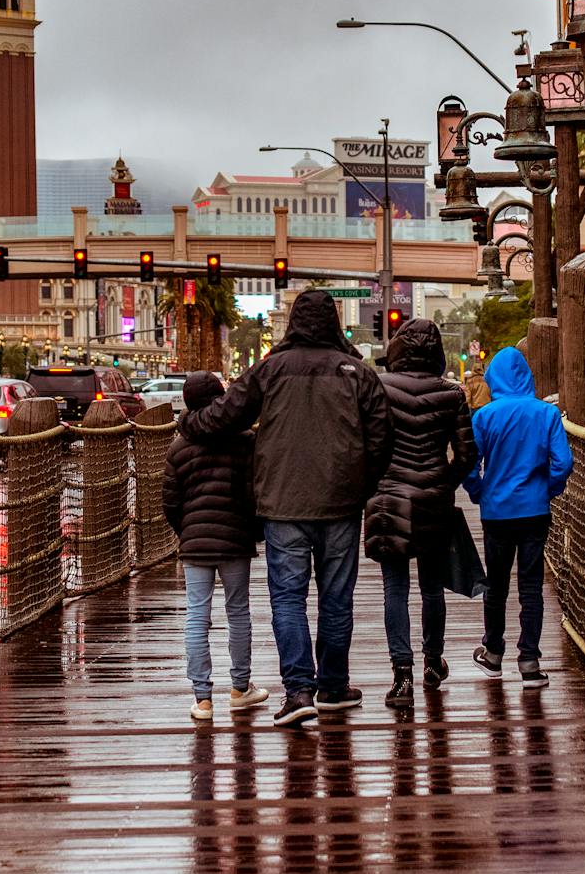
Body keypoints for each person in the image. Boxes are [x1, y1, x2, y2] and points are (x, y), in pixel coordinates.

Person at [181, 289, 394, 727]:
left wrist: (187, 422)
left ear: (293, 323)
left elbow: (225, 415)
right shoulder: (357, 372)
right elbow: (382, 440)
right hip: (340, 504)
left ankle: (298, 691)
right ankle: (334, 686)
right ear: (334, 323)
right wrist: (360, 485)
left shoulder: (269, 370)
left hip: (282, 504)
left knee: (288, 599)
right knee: (336, 599)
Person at [363, 318, 477, 706]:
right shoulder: (452, 394)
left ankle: (402, 676)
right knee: (432, 587)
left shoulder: (378, 389)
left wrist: (375, 483)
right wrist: (443, 481)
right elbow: (467, 455)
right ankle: (432, 660)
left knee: (394, 589)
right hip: (433, 499)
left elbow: (365, 445)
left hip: (388, 499)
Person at [163, 372, 269, 721]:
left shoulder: (178, 448)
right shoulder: (244, 441)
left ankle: (202, 698)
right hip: (235, 539)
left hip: (194, 543)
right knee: (238, 611)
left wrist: (187, 533)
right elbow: (255, 491)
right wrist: (253, 529)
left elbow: (171, 503)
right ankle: (240, 687)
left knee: (197, 614)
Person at [464, 346, 572, 688]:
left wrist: (478, 491)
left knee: (495, 585)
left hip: (496, 511)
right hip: (534, 510)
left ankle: (493, 653)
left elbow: (468, 463)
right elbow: (563, 463)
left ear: (495, 378)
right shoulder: (547, 414)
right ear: (527, 376)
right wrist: (548, 490)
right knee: (531, 587)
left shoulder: (484, 416)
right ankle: (529, 660)